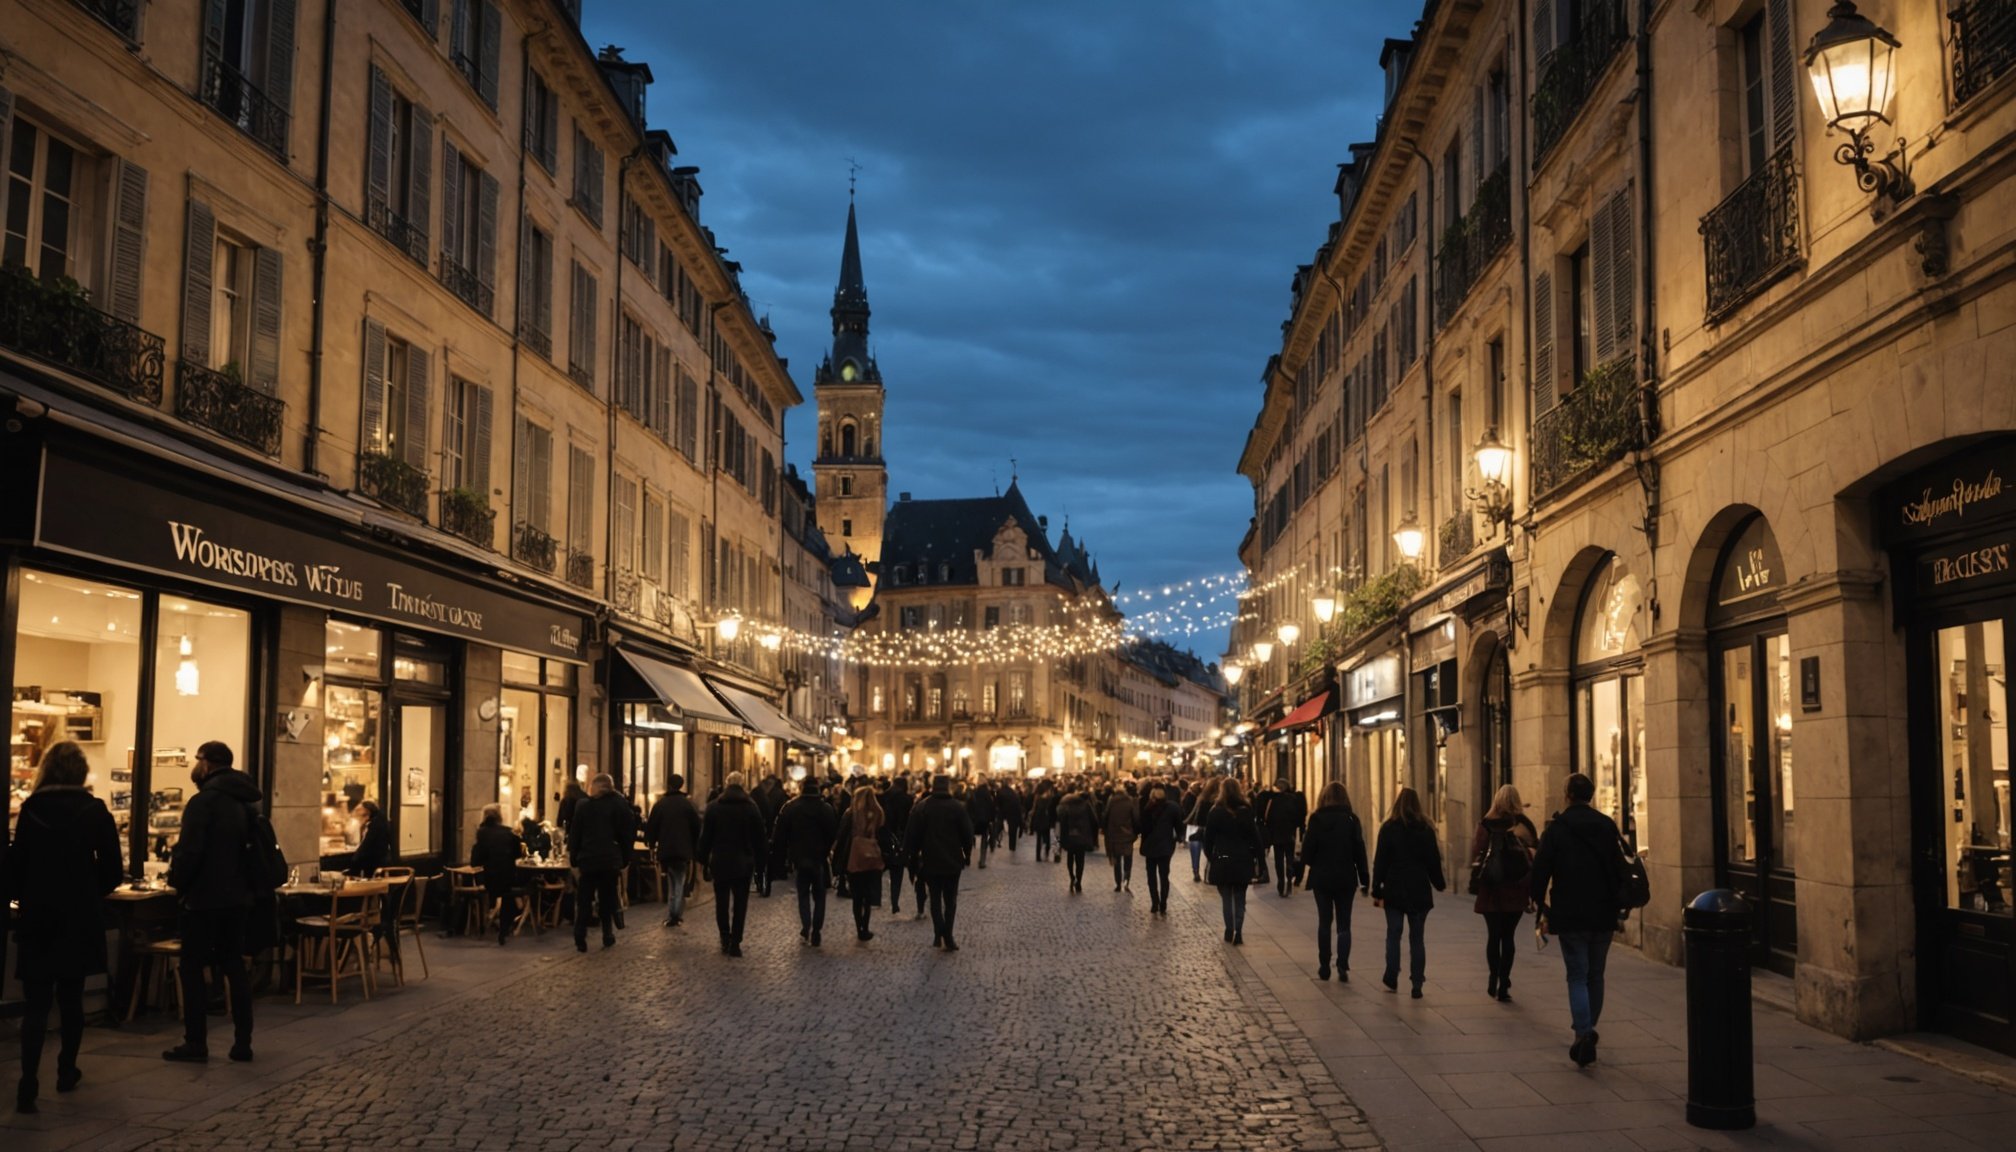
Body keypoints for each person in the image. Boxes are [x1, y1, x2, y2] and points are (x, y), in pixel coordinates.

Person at [6, 742, 122, 1113]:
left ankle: (27, 1083)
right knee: (72, 999)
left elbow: (17, 866)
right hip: (79, 917)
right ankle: (66, 1069)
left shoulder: (32, 809)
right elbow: (113, 872)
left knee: (37, 1003)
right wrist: (89, 891)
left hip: (39, 915)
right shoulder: (95, 811)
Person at [163, 741, 258, 1063]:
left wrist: (177, 884)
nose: (195, 764)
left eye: (197, 759)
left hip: (204, 900)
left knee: (192, 970)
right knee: (234, 966)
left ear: (207, 763)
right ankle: (243, 1042)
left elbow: (190, 852)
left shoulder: (203, 802)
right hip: (239, 898)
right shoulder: (246, 801)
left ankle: (196, 1042)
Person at [1527, 772, 1626, 1067]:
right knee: (1596, 974)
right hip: (1603, 911)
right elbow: (1621, 867)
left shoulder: (1557, 829)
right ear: (1591, 796)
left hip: (1570, 912)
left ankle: (1583, 1032)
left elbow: (1540, 870)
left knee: (1577, 974)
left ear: (1567, 794)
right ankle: (1588, 1028)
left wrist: (1539, 904)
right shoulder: (1607, 825)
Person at [1371, 786, 1446, 998]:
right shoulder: (1425, 830)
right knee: (1417, 938)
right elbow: (1433, 861)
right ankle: (1417, 984)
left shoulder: (1388, 828)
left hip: (1394, 889)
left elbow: (1381, 861)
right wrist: (1439, 883)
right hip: (1419, 889)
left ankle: (1392, 975)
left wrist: (1377, 886)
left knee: (1393, 933)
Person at [1471, 784, 1539, 1002]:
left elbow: (1477, 853)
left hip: (1491, 888)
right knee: (1508, 936)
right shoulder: (1522, 824)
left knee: (1494, 935)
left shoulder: (1485, 824)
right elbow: (1535, 853)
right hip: (1515, 888)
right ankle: (1504, 983)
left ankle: (1493, 977)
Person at [1300, 782, 1370, 982]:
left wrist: (1308, 866)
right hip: (1346, 877)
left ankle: (1324, 965)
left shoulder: (1316, 819)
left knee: (1324, 921)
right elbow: (1359, 850)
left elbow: (1308, 850)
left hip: (1322, 877)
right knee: (1344, 924)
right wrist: (1364, 876)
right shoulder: (1351, 819)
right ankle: (1342, 965)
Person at [901, 775, 975, 951]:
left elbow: (912, 835)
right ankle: (947, 935)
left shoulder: (922, 807)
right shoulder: (957, 808)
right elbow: (967, 834)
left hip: (930, 859)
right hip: (952, 860)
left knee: (935, 898)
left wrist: (910, 856)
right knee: (950, 900)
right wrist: (967, 854)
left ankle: (938, 933)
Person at [697, 772, 767, 956]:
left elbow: (706, 838)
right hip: (743, 862)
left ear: (726, 784)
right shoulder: (751, 807)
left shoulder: (714, 808)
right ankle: (736, 942)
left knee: (721, 901)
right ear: (743, 785)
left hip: (720, 861)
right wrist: (761, 863)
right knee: (740, 903)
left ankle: (724, 937)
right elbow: (760, 838)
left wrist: (702, 860)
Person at [566, 773, 636, 952]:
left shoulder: (583, 806)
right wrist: (625, 858)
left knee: (584, 899)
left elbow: (575, 834)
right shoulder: (619, 805)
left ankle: (580, 936)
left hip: (588, 859)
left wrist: (573, 857)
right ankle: (607, 934)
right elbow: (627, 834)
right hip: (609, 860)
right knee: (607, 898)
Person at [773, 776, 841, 946]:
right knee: (820, 895)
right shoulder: (825, 808)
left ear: (802, 787)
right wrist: (825, 850)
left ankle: (806, 925)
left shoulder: (791, 807)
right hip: (819, 858)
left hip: (799, 857)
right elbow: (833, 832)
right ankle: (817, 929)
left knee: (803, 893)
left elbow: (780, 833)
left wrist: (786, 855)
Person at [1203, 778, 1261, 944]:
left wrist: (1211, 857)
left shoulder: (1215, 811)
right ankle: (1239, 932)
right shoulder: (1246, 810)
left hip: (1222, 858)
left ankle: (1229, 929)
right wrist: (1259, 859)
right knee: (1240, 897)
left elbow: (1208, 839)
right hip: (1242, 858)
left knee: (1226, 897)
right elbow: (1254, 837)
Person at [645, 775, 701, 928]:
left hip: (666, 849)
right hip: (683, 850)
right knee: (679, 881)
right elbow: (696, 827)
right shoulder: (687, 805)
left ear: (668, 785)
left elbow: (651, 826)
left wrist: (651, 843)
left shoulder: (661, 804)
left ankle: (673, 913)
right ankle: (675, 913)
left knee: (672, 880)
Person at [835, 786, 889, 942]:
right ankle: (865, 926)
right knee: (867, 894)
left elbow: (842, 836)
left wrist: (838, 861)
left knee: (857, 896)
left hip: (854, 858)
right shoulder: (879, 814)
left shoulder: (851, 814)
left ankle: (860, 927)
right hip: (872, 859)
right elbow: (884, 837)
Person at [470, 804, 525, 945]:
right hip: (508, 877)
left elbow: (476, 860)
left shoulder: (481, 833)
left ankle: (487, 922)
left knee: (494, 892)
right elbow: (518, 854)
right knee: (509, 895)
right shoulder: (509, 833)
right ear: (500, 817)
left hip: (489, 878)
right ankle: (504, 930)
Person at [1136, 784, 1183, 916]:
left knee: (1151, 876)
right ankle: (1163, 903)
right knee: (1164, 876)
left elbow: (1141, 827)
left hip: (1150, 846)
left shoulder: (1147, 807)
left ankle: (1154, 902)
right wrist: (1179, 838)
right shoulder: (1173, 807)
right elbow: (1179, 826)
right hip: (1165, 846)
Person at [1264, 779, 1308, 897]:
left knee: (1279, 859)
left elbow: (1268, 818)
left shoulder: (1273, 800)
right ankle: (1289, 875)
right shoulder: (1293, 799)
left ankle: (1281, 882)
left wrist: (1270, 833)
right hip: (1290, 834)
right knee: (1289, 856)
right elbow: (1298, 817)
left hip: (1278, 835)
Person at [881, 776, 914, 914]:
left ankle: (875, 898)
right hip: (899, 839)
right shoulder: (907, 800)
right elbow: (907, 821)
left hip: (883, 838)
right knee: (897, 873)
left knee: (880, 869)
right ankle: (894, 902)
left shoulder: (883, 797)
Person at [1055, 788, 1098, 894]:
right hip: (1082, 836)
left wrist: (1061, 837)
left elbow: (1061, 821)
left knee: (1070, 858)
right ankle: (1079, 880)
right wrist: (1094, 836)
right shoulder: (1086, 805)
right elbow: (1094, 821)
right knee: (1080, 860)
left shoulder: (1066, 806)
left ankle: (1072, 877)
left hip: (1070, 836)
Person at [1102, 782, 1139, 892]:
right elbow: (1135, 818)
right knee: (1128, 859)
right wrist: (1136, 833)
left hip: (1114, 835)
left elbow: (1106, 816)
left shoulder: (1111, 802)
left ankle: (1118, 883)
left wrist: (1104, 829)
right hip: (1127, 835)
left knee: (1117, 860)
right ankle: (1126, 881)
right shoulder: (1130, 801)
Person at [1183, 778, 1220, 882]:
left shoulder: (1201, 797)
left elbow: (1194, 812)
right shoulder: (1219, 799)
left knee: (1195, 850)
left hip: (1196, 827)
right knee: (1212, 851)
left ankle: (1196, 871)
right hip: (1212, 829)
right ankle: (1211, 870)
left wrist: (1185, 822)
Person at [349, 800, 390, 877]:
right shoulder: (378, 820)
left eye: (360, 812)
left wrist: (356, 858)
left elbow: (367, 843)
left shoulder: (375, 824)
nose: (359, 814)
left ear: (367, 811)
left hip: (374, 860)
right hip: (378, 858)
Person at [965, 779, 996, 869]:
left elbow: (968, 806)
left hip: (973, 820)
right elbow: (992, 808)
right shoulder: (988, 795)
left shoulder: (974, 793)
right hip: (984, 820)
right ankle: (982, 861)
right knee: (984, 839)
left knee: (969, 839)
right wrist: (992, 819)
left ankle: (967, 858)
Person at [1031, 781, 1058, 862]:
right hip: (1046, 821)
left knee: (1039, 839)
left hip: (1039, 820)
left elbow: (1034, 811)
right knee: (1047, 838)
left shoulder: (1038, 799)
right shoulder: (1050, 799)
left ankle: (1038, 856)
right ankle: (1046, 853)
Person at [997, 782, 1025, 853]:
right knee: (1013, 830)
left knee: (998, 827)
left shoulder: (1000, 792)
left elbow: (998, 804)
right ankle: (1012, 846)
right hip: (1014, 813)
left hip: (1005, 812)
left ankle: (994, 841)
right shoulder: (1012, 792)